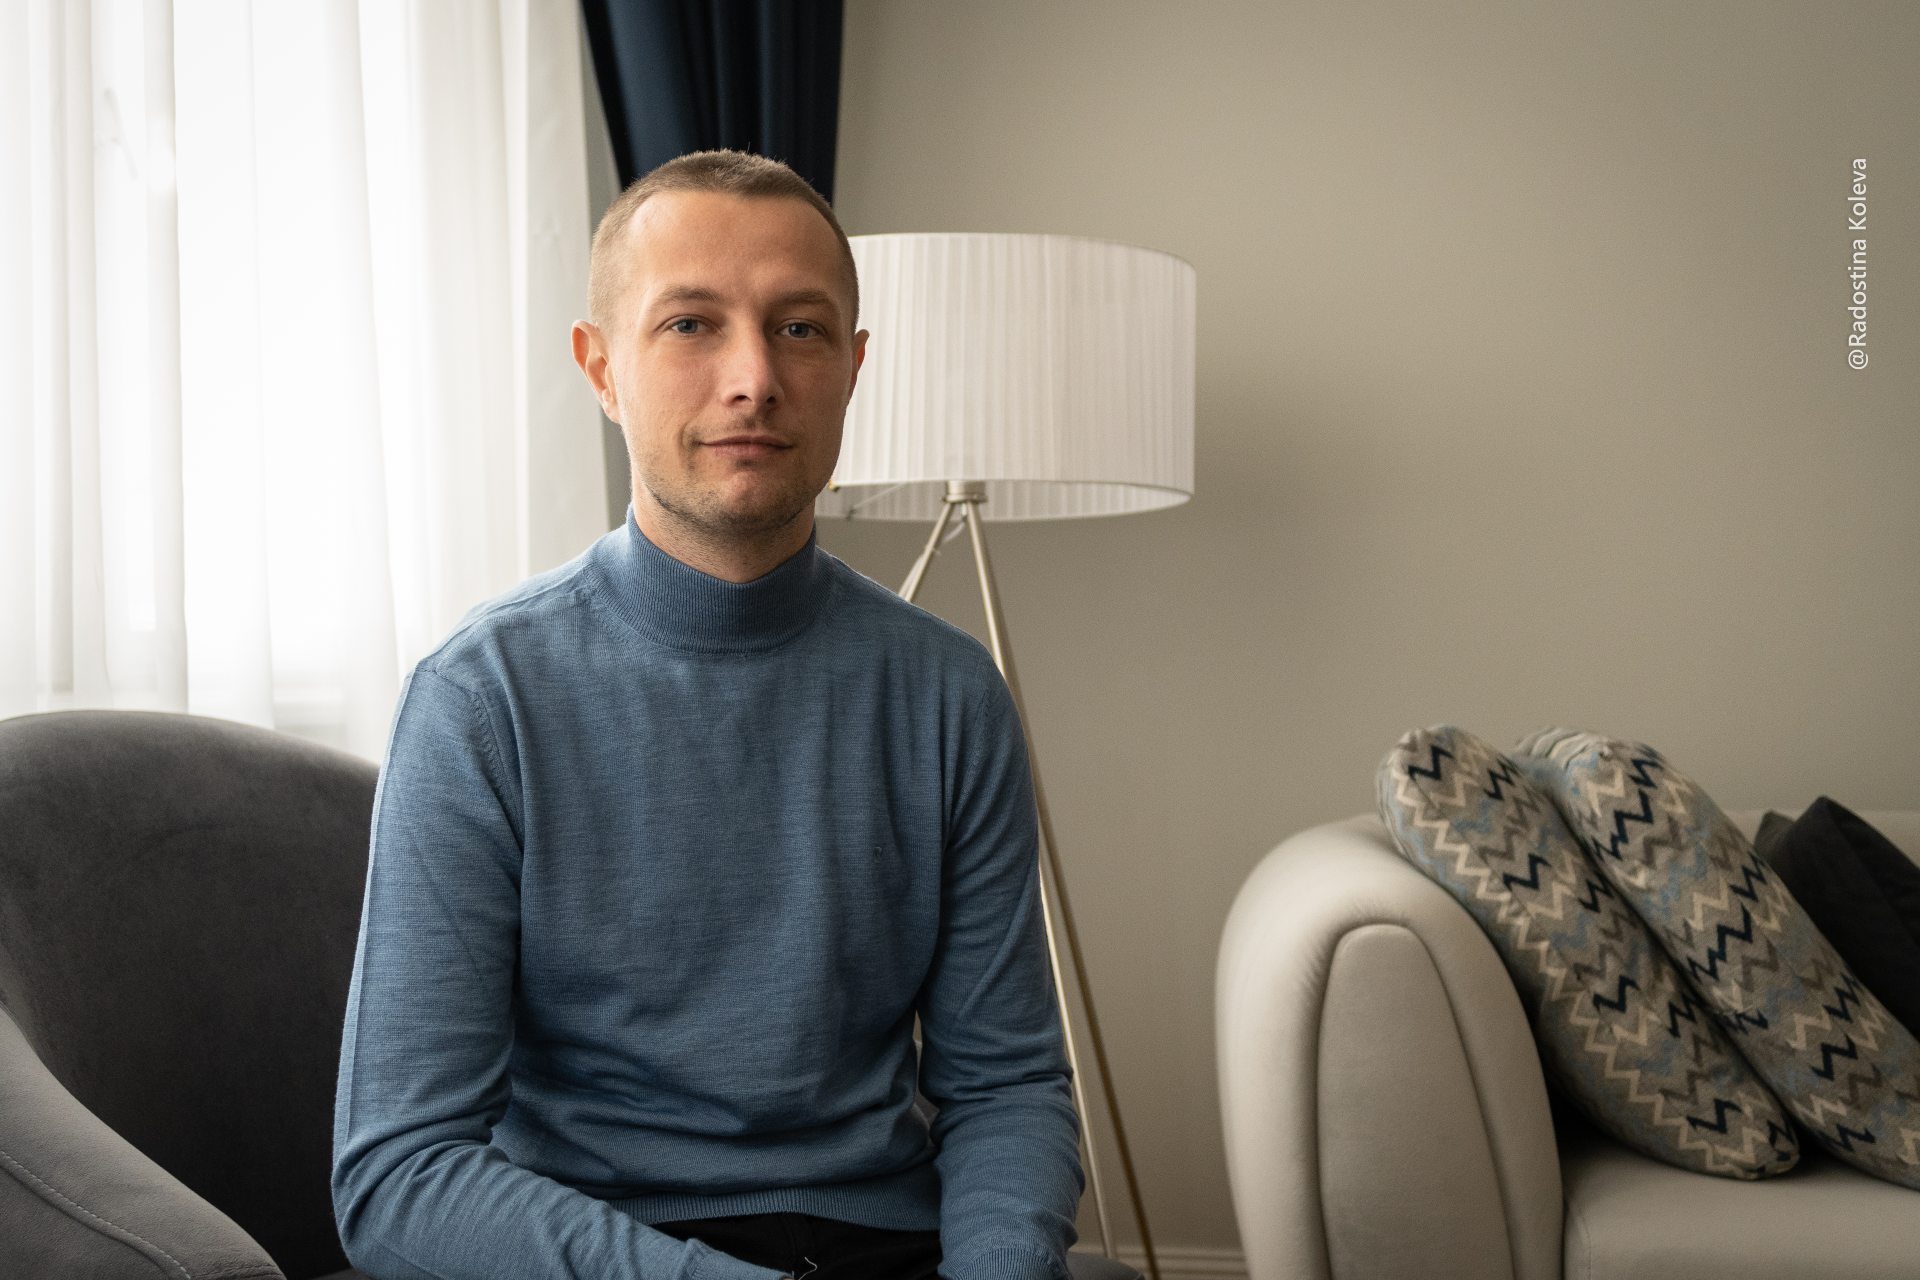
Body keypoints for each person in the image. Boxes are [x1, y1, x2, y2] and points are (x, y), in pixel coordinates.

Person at [330, 148, 1085, 1280]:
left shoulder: (949, 694)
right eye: (690, 324)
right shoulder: (479, 701)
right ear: (601, 369)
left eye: (799, 328)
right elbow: (399, 1169)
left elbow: (1007, 1086)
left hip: (888, 1241)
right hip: (589, 1250)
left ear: (853, 368)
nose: (753, 378)